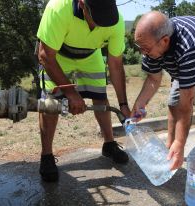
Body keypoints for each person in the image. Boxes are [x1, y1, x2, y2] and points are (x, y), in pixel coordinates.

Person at [37, 0, 130, 182]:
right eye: (97, 18)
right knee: (50, 103)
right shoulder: (58, 8)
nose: (101, 23)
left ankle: (109, 144)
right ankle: (46, 155)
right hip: (57, 55)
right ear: (81, 4)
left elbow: (116, 65)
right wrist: (71, 93)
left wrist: (124, 105)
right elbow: (45, 56)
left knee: (100, 97)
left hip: (90, 54)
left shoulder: (115, 21)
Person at [132, 11, 195, 170]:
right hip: (188, 64)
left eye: (145, 48)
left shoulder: (189, 46)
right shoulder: (150, 43)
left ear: (164, 41)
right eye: (140, 47)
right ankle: (170, 151)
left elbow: (186, 102)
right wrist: (140, 103)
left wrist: (180, 143)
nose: (142, 52)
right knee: (173, 104)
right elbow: (153, 79)